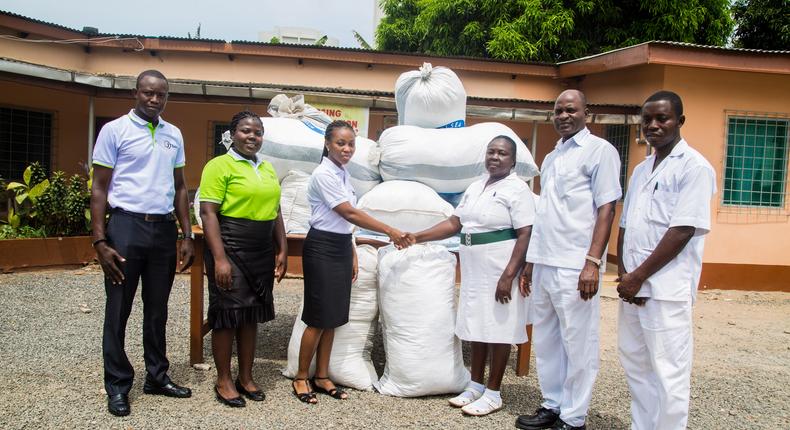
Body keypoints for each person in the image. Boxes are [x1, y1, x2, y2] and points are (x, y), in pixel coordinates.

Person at [516, 89, 622, 430]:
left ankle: (574, 417)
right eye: (558, 110)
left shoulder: (600, 152)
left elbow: (607, 208)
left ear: (585, 113)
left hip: (576, 265)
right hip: (546, 261)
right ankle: (552, 404)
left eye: (570, 110)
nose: (563, 115)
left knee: (578, 343)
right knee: (547, 339)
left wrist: (593, 261)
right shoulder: (551, 157)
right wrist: (530, 263)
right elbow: (545, 213)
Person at [90, 69, 194, 417]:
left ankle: (157, 376)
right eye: (148, 93)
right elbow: (99, 188)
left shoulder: (173, 134)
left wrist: (187, 233)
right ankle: (118, 385)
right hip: (125, 227)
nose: (154, 99)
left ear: (166, 96)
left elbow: (180, 187)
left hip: (163, 231)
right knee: (119, 308)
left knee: (157, 309)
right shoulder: (114, 131)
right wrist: (100, 240)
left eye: (160, 94)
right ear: (136, 93)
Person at [406, 135, 534, 416]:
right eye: (491, 152)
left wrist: (509, 275)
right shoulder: (476, 187)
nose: (495, 157)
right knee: (477, 325)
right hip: (475, 268)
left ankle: (494, 392)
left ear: (513, 161)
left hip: (500, 266)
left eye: (502, 153)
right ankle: (475, 385)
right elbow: (455, 223)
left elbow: (526, 233)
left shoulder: (517, 189)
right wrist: (418, 236)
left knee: (499, 328)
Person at [616, 91, 715, 430]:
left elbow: (683, 230)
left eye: (663, 119)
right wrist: (625, 276)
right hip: (633, 288)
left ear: (680, 121)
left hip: (665, 290)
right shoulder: (642, 169)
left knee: (669, 371)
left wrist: (638, 276)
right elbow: (626, 224)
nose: (653, 126)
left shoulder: (695, 168)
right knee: (636, 363)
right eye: (647, 120)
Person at [293, 120, 410, 404]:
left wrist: (353, 251)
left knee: (334, 318)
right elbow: (349, 213)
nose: (347, 149)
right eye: (340, 143)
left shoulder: (342, 173)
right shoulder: (324, 174)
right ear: (327, 144)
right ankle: (300, 377)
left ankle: (322, 376)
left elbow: (346, 224)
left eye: (351, 144)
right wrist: (391, 230)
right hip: (321, 248)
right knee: (317, 317)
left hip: (341, 248)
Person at [198, 111, 288, 408]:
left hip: (261, 250)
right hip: (230, 247)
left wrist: (282, 249)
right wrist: (220, 258)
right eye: (247, 131)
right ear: (232, 134)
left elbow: (276, 212)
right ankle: (224, 380)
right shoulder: (219, 165)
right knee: (226, 316)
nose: (253, 136)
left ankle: (246, 377)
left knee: (251, 315)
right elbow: (208, 212)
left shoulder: (268, 168)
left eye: (258, 132)